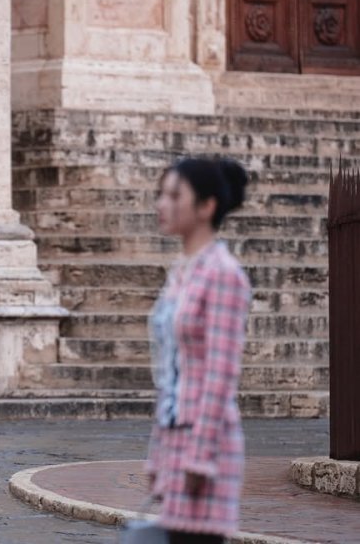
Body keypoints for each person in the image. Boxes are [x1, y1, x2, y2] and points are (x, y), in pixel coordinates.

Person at [145, 157, 252, 544]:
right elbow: (171, 370)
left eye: (175, 195)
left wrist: (200, 457)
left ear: (206, 206)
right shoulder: (182, 272)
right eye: (161, 194)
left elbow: (220, 374)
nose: (162, 204)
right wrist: (157, 453)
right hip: (175, 437)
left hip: (206, 445)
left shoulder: (223, 274)